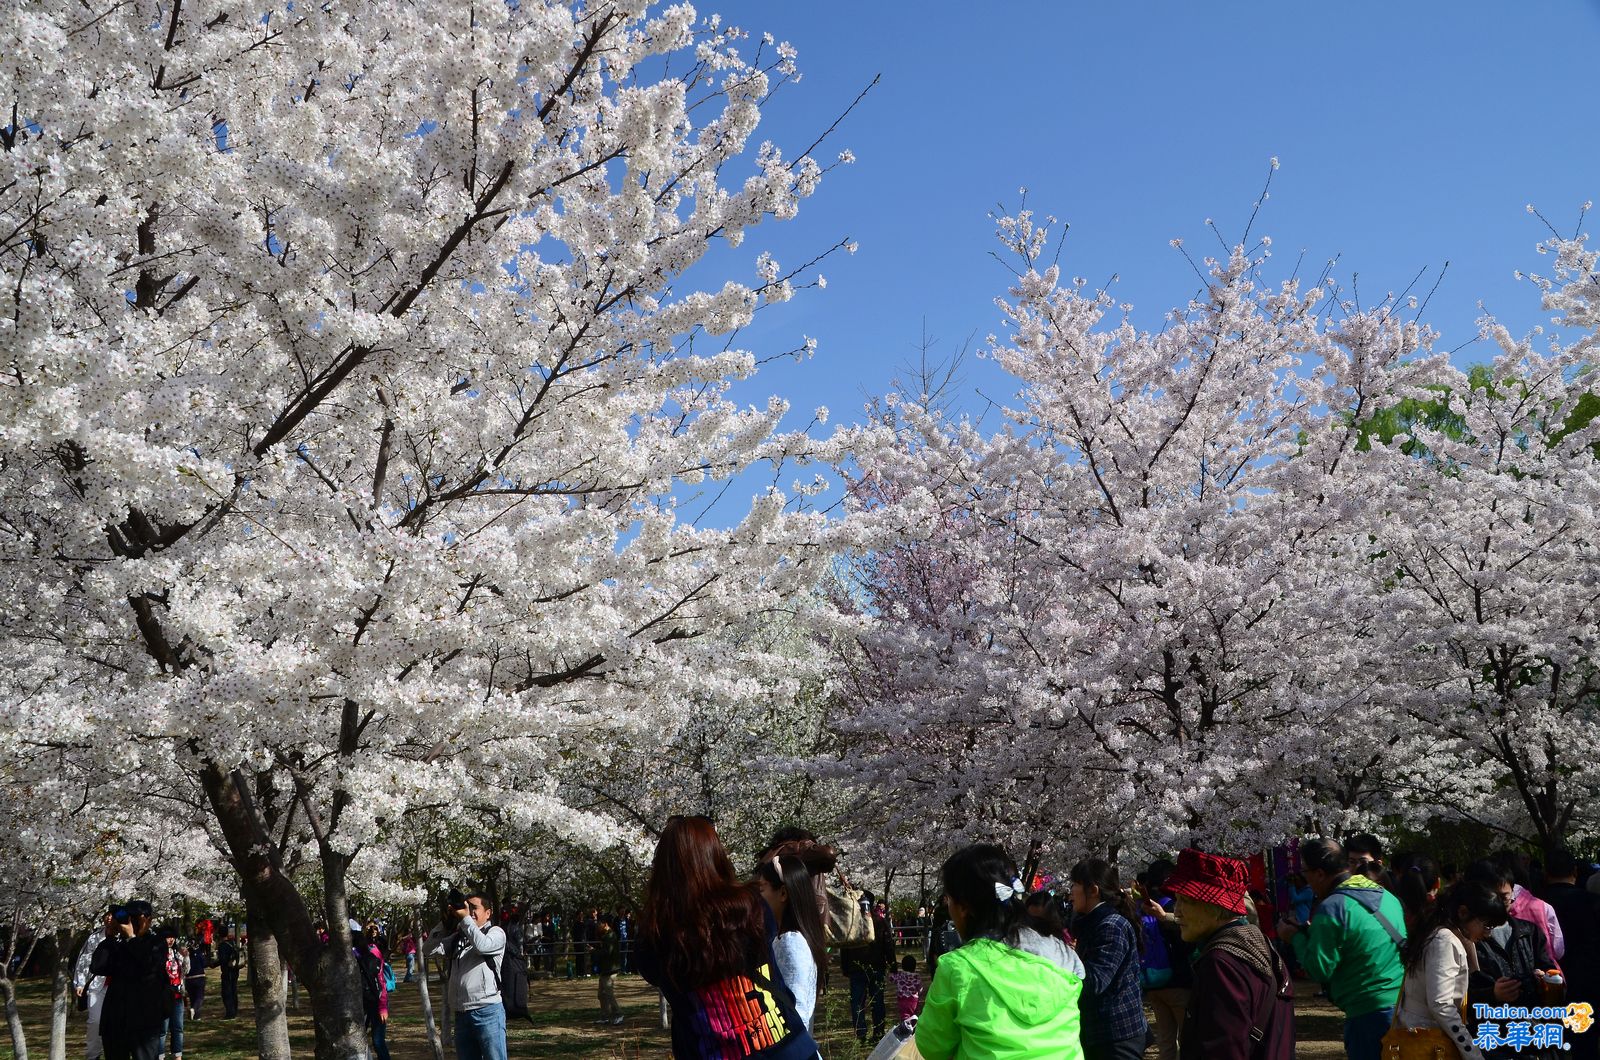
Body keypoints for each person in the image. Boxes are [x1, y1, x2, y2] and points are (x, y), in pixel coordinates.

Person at [637, 815, 817, 1059]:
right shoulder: (751, 906)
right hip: (785, 1044)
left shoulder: (657, 934)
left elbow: (652, 973)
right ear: (715, 855)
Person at [914, 843, 1085, 1060]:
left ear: (964, 906)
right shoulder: (1061, 953)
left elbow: (932, 1046)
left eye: (949, 899)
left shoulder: (958, 968)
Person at [1154, 849, 1293, 1060]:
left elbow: (1222, 1048)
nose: (1178, 911)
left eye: (1186, 901)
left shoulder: (1222, 963)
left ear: (1215, 906)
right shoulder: (1256, 943)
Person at [1277, 838, 1406, 1060]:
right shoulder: (1385, 896)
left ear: (1319, 873)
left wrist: (1295, 938)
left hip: (1366, 1014)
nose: (1304, 880)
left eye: (1304, 872)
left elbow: (1318, 969)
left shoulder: (1332, 908)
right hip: (1402, 1007)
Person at [1395, 879, 1505, 1060]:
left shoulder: (1437, 933)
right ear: (1463, 913)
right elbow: (1441, 1004)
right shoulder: (1444, 940)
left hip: (1419, 1035)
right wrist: (1471, 1051)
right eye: (1487, 925)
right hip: (1426, 1042)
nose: (1488, 934)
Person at [1463, 860, 1557, 1058]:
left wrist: (1544, 980)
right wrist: (1491, 994)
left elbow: (1547, 968)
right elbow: (1456, 996)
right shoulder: (1467, 939)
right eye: (1492, 898)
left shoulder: (1528, 931)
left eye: (1504, 897)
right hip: (1492, 1040)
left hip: (1531, 1033)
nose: (1498, 905)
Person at [1069, 859, 1147, 1060]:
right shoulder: (1094, 922)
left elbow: (1095, 980)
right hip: (1102, 1032)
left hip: (1116, 1034)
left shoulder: (1110, 926)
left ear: (1093, 890)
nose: (1070, 891)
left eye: (1075, 884)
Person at [426, 891, 507, 1060]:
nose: (469, 912)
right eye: (466, 907)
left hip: (487, 1011)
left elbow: (482, 946)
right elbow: (428, 950)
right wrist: (444, 925)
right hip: (462, 1013)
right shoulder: (458, 937)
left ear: (488, 913)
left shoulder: (496, 933)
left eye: (474, 908)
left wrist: (465, 920)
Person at [755, 854, 826, 1034]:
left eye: (762, 889)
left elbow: (797, 1012)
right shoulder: (786, 938)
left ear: (783, 893)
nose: (758, 898)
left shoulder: (791, 943)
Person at [93, 902, 170, 1060]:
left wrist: (132, 939)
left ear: (148, 920)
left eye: (135, 919)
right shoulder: (117, 944)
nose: (131, 923)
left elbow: (149, 965)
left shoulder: (157, 942)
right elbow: (98, 967)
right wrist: (110, 935)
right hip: (115, 1019)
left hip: (144, 1020)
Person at [1542, 849, 1600, 1060]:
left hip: (1551, 980)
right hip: (1589, 978)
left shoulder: (1538, 904)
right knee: (1587, 1041)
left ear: (1547, 873)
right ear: (1575, 871)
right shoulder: (1591, 901)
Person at [1139, 859, 1193, 1060]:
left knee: (1166, 1040)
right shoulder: (1172, 905)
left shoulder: (1142, 906)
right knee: (1188, 1037)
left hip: (1152, 982)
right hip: (1178, 980)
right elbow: (1185, 943)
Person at [75, 913, 117, 1060]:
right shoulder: (95, 937)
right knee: (95, 1021)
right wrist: (80, 982)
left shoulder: (126, 935)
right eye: (106, 915)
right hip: (97, 985)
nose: (109, 918)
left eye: (112, 915)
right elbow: (85, 959)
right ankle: (93, 1055)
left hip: (118, 987)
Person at [354, 923, 392, 1060]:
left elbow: (380, 982)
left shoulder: (371, 955)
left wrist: (382, 1007)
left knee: (378, 1041)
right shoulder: (354, 957)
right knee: (359, 1038)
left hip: (376, 1002)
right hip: (362, 1003)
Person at [593, 916, 623, 1026]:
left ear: (605, 924)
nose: (597, 927)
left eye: (599, 924)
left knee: (608, 993)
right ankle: (605, 1016)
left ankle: (618, 1014)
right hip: (605, 969)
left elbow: (607, 952)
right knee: (601, 994)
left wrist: (594, 951)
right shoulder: (606, 935)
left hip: (610, 969)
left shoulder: (610, 935)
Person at [161, 932, 187, 1060]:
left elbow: (186, 970)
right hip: (163, 996)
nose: (170, 939)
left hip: (177, 995)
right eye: (168, 936)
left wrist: (186, 957)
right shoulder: (159, 954)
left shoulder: (178, 954)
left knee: (178, 1027)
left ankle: (177, 1055)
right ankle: (160, 1055)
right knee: (162, 1029)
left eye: (172, 937)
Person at [888, 955, 925, 1022]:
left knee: (904, 1016)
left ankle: (905, 1028)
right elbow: (920, 988)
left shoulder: (899, 975)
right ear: (914, 966)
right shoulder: (916, 977)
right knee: (913, 1015)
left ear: (902, 966)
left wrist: (891, 968)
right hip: (913, 1000)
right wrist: (918, 993)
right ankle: (912, 1028)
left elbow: (891, 978)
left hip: (902, 999)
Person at [216, 931, 241, 1019]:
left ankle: (230, 1013)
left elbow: (223, 959)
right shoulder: (233, 943)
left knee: (227, 992)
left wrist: (213, 964)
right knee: (233, 990)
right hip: (235, 970)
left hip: (227, 971)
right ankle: (234, 1010)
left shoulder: (223, 946)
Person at [184, 939, 209, 1021]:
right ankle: (194, 1010)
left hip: (189, 979)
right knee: (199, 997)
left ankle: (196, 1016)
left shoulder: (185, 955)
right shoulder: (199, 953)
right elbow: (204, 964)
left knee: (192, 997)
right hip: (199, 977)